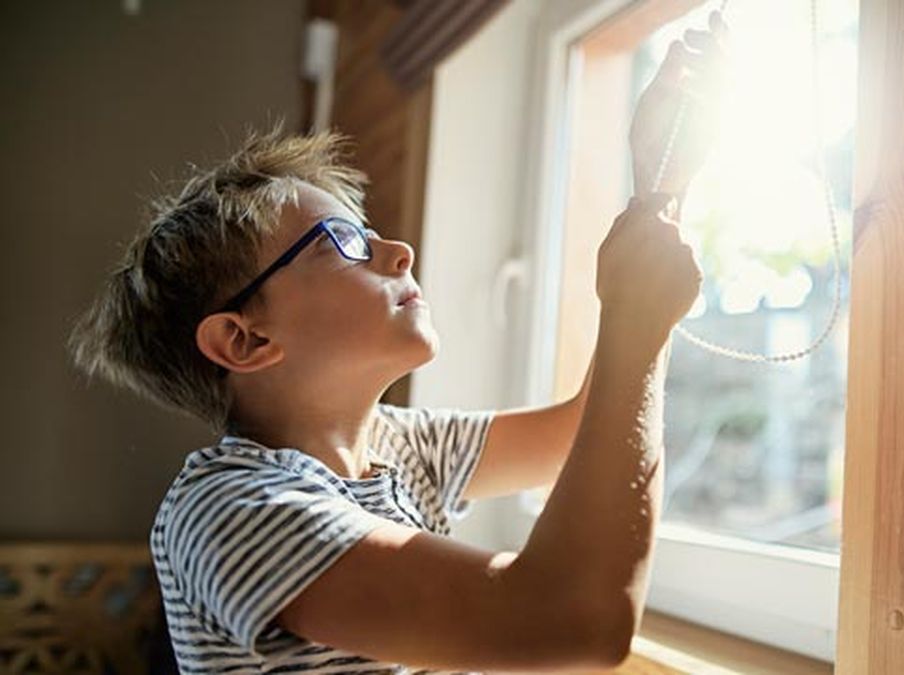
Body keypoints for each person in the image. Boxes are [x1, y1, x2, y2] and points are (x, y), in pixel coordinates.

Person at [68, 10, 727, 673]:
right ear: (245, 338)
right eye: (345, 242)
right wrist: (634, 319)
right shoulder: (228, 509)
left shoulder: (397, 445)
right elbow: (574, 621)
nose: (399, 250)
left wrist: (658, 195)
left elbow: (589, 428)